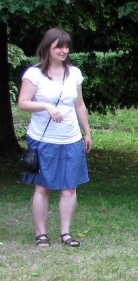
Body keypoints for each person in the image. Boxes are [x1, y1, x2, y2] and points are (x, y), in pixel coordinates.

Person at [17, 27, 92, 248]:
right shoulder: (34, 74)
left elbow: (79, 104)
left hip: (70, 138)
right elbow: (22, 102)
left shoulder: (75, 73)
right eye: (59, 46)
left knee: (70, 187)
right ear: (47, 47)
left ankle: (65, 233)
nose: (64, 50)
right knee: (43, 187)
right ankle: (41, 234)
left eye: (66, 46)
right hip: (43, 139)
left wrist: (86, 131)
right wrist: (47, 106)